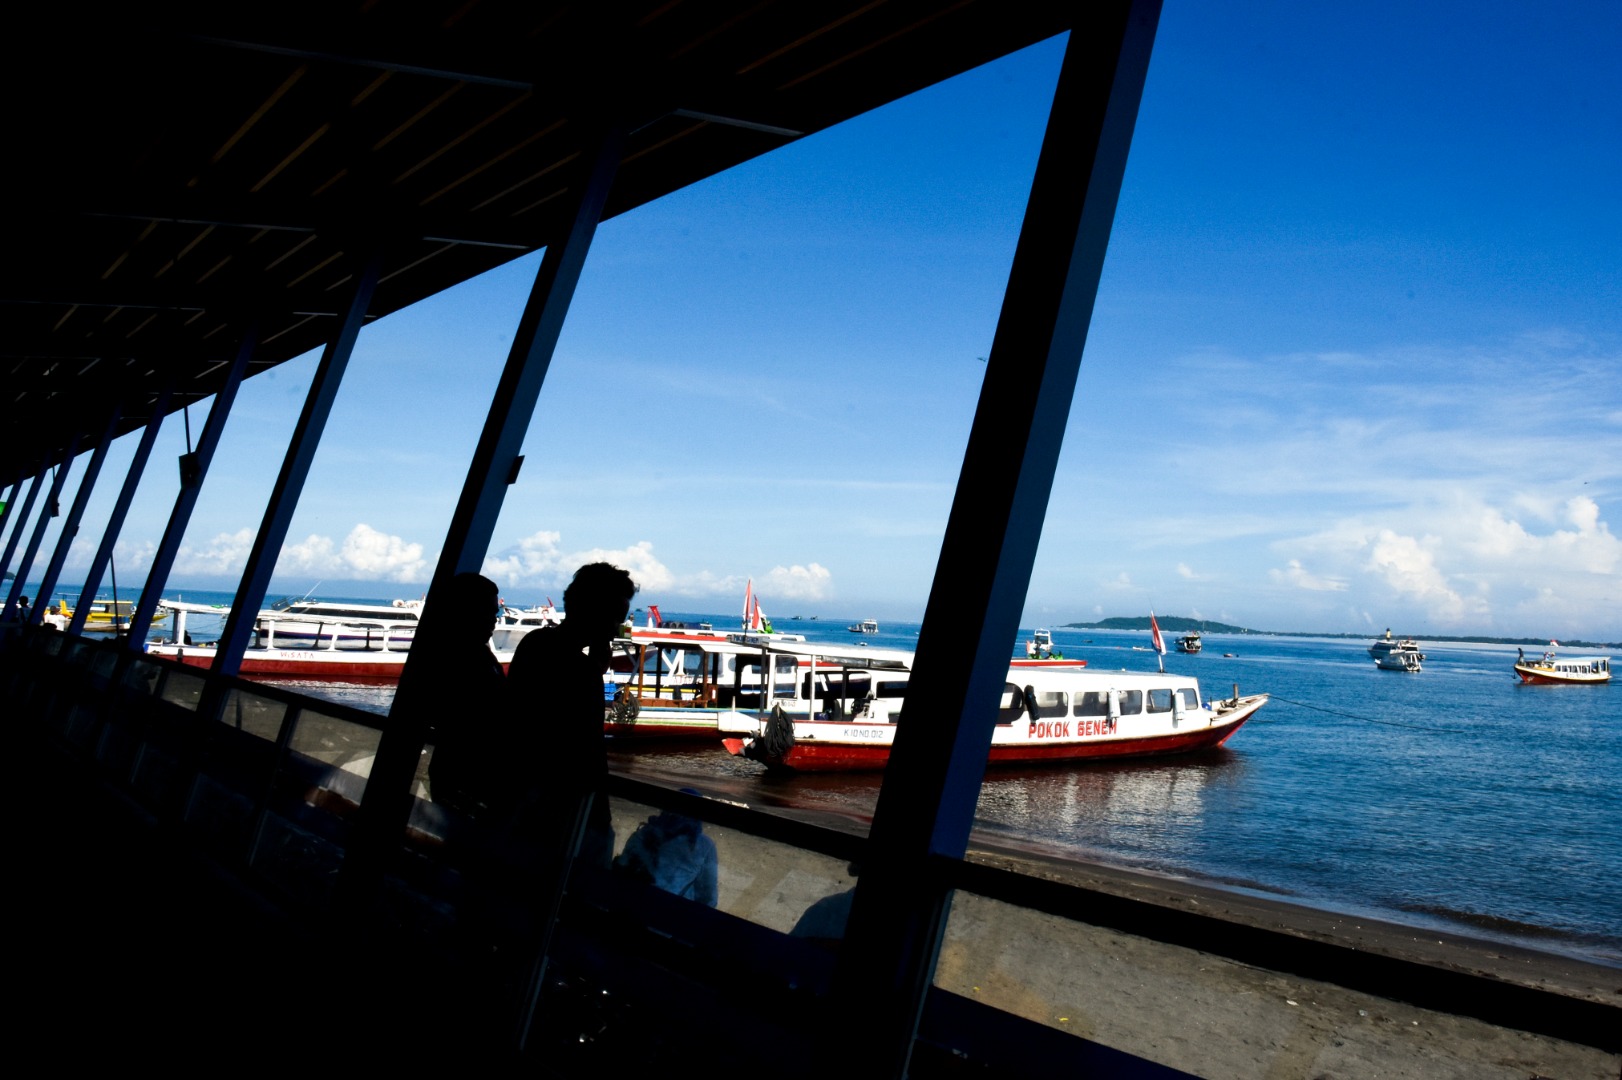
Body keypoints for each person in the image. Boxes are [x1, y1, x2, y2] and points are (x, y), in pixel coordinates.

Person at [506, 562, 637, 867]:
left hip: (529, 803)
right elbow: (580, 746)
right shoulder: (578, 668)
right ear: (595, 610)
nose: (616, 626)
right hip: (561, 813)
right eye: (615, 616)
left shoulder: (535, 644)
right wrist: (592, 671)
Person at [423, 572, 508, 817]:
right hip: (468, 776)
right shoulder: (463, 659)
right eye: (489, 612)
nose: (495, 620)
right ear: (467, 611)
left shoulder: (472, 654)